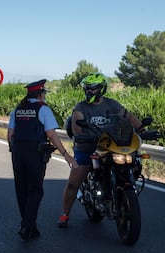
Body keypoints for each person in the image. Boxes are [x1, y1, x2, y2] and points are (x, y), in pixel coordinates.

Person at [57, 72, 142, 228]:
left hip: (110, 147)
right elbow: (77, 125)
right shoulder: (81, 107)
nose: (89, 91)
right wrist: (79, 135)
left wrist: (141, 129)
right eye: (87, 88)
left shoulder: (112, 105)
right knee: (73, 183)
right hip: (87, 147)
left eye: (92, 88)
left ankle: (120, 192)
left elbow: (128, 117)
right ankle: (64, 215)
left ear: (101, 89)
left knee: (134, 161)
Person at [8, 79, 78, 241]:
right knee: (36, 190)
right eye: (44, 93)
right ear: (40, 95)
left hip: (18, 152)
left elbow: (10, 135)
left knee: (22, 189)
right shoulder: (43, 109)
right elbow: (51, 134)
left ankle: (29, 226)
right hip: (35, 153)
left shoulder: (17, 110)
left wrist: (16, 150)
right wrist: (65, 154)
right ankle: (27, 226)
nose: (45, 96)